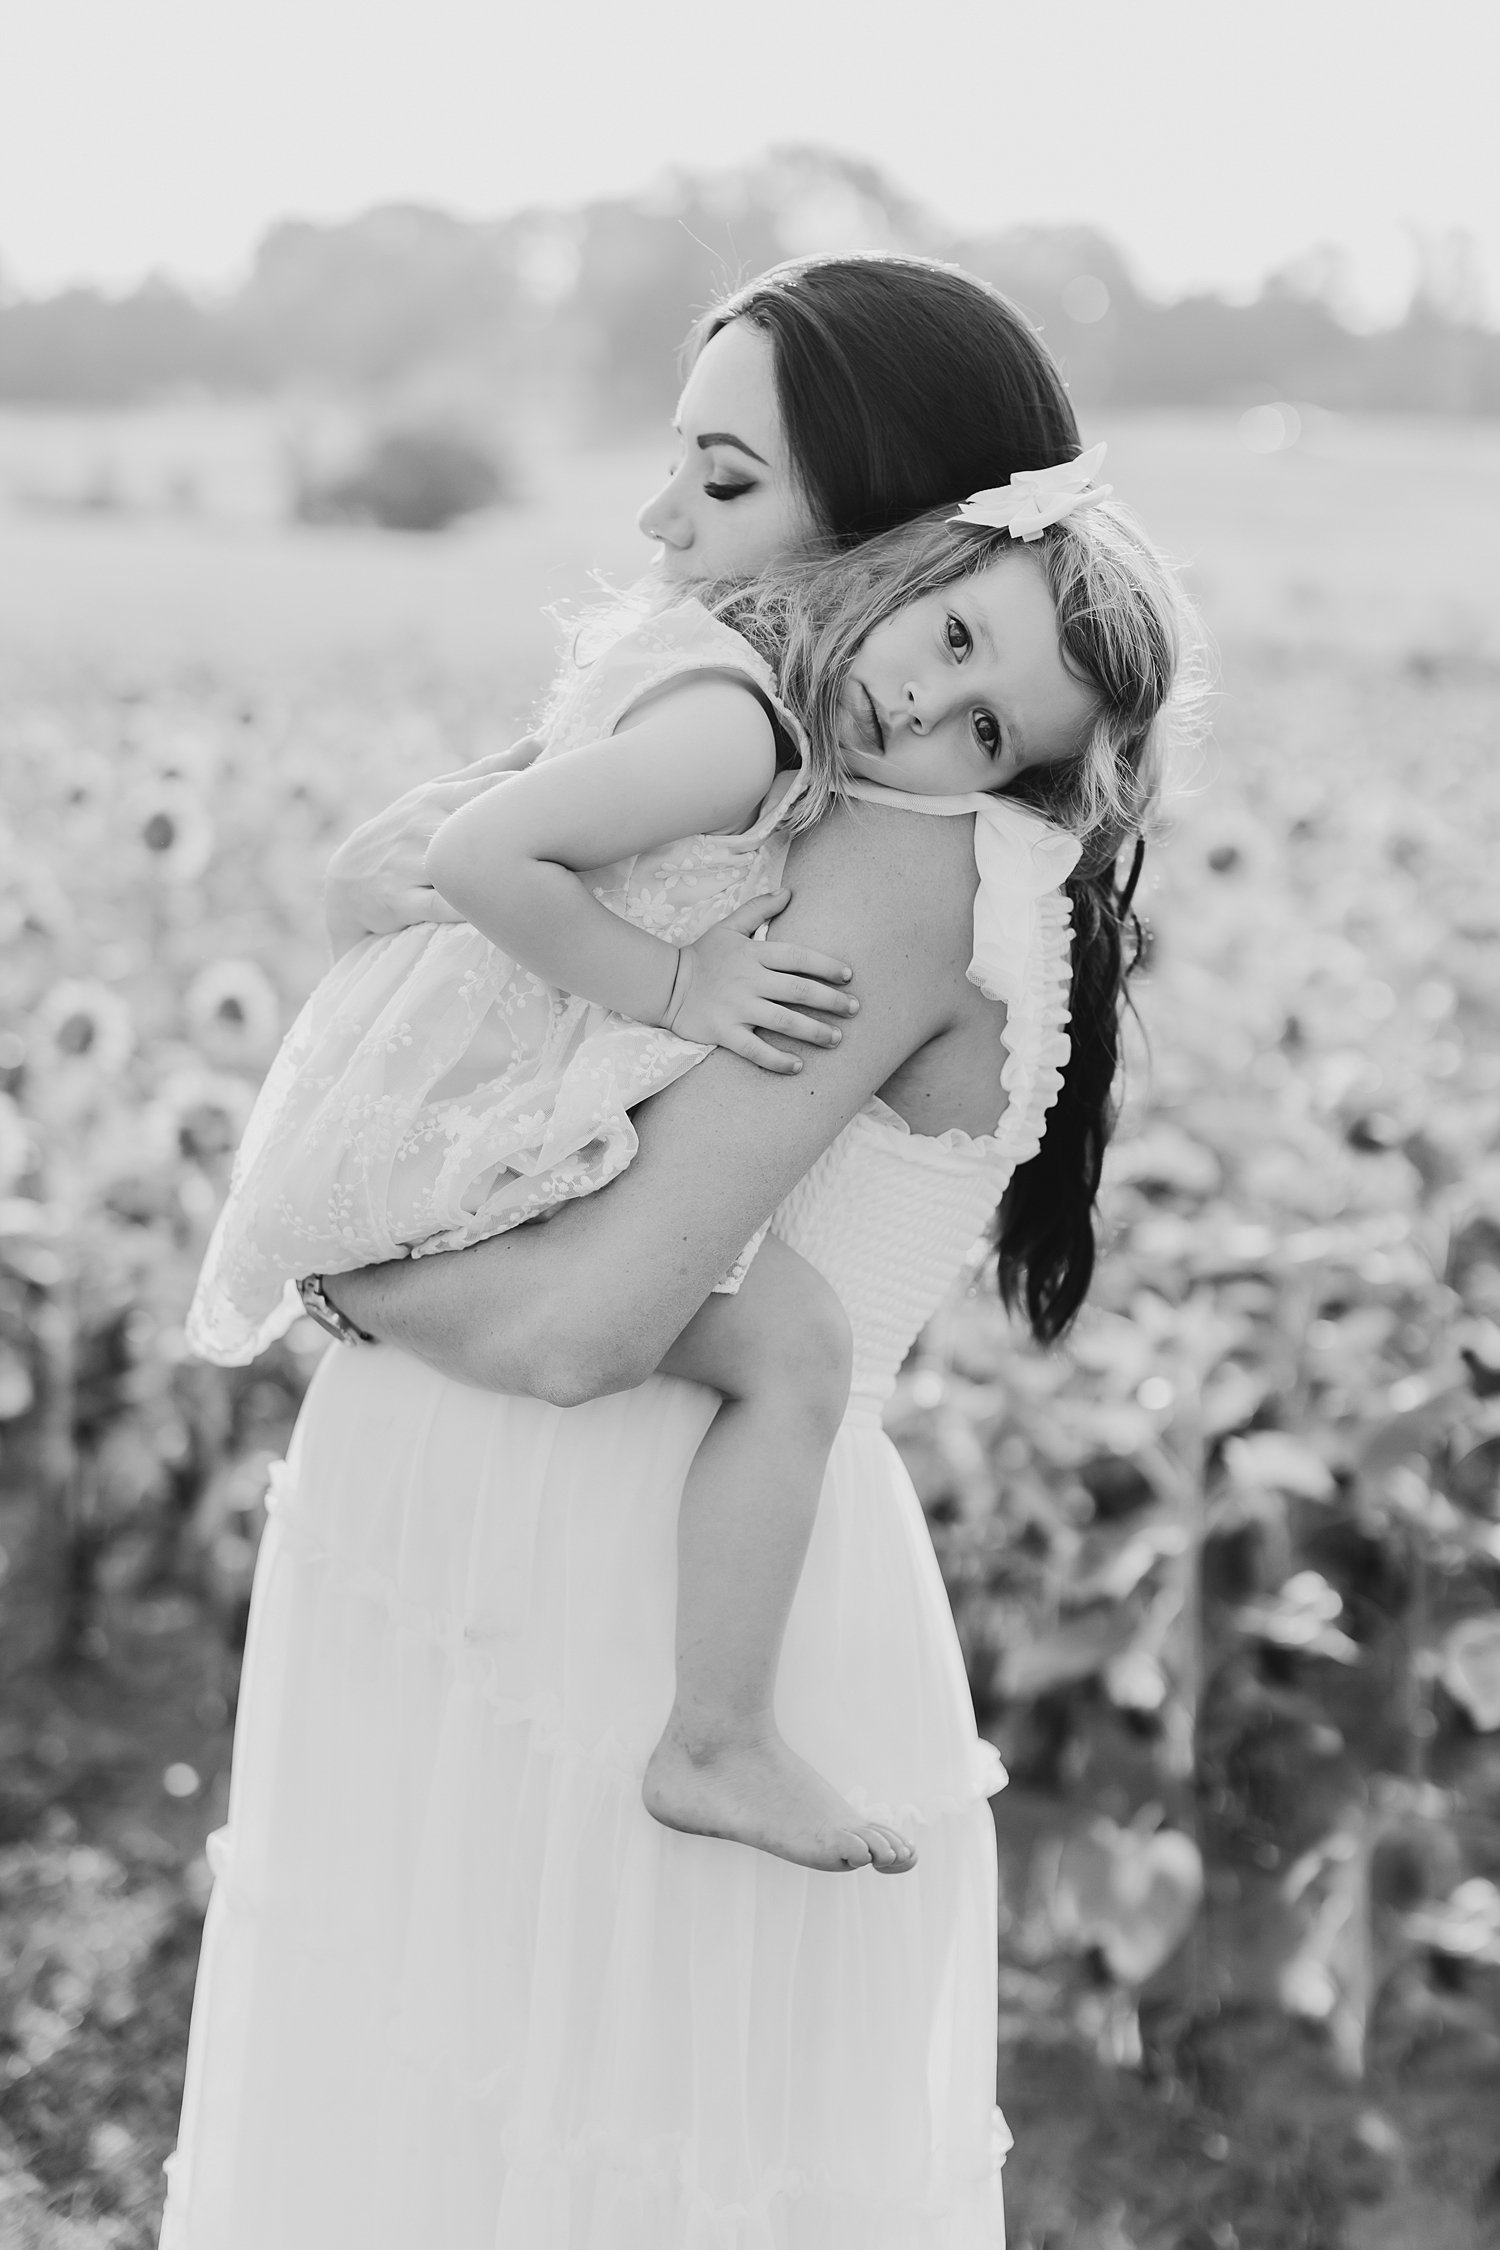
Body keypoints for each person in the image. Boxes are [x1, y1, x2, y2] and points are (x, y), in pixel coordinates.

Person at [159, 255, 1195, 2250]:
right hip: (537, 1542)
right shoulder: (822, 772)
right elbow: (433, 879)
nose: (657, 528)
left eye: (720, 483)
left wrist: (340, 1278)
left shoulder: (900, 855)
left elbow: (578, 1327)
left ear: (912, 519)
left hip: (608, 1579)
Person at [183, 445, 1173, 1882]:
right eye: (952, 642)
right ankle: (715, 1733)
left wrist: (344, 1268)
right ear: (914, 567)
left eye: (985, 729)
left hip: (613, 1541)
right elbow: (475, 859)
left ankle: (716, 1733)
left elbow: (587, 1325)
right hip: (566, 1503)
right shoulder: (764, 752)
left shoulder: (863, 827)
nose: (926, 710)